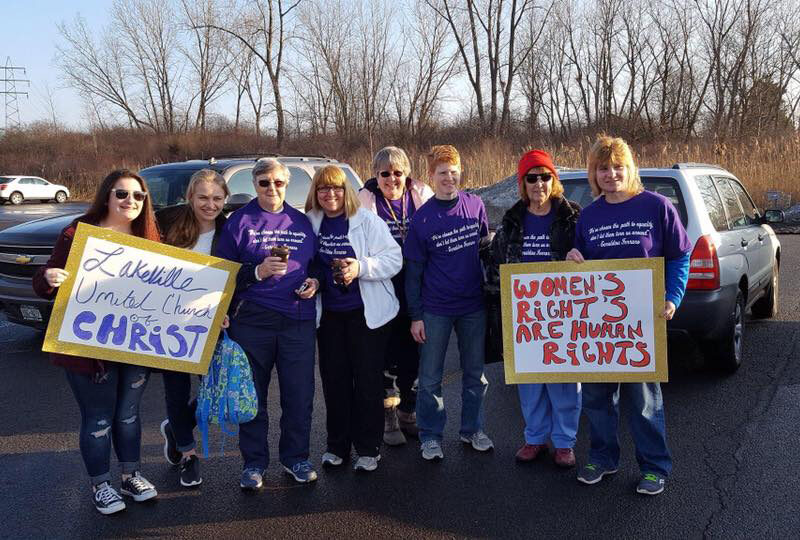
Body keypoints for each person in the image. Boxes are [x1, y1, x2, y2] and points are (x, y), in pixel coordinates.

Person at [566, 135, 691, 496]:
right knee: (597, 398)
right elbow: (582, 269)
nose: (611, 174)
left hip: (641, 322)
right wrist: (574, 260)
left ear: (630, 168)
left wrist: (673, 297)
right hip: (597, 325)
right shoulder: (589, 216)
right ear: (594, 174)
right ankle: (603, 458)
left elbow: (680, 255)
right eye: (603, 168)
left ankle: (654, 467)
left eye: (618, 166)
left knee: (644, 400)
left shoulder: (656, 206)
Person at [32, 170, 162, 515]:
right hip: (88, 348)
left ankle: (130, 476)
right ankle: (101, 484)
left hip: (135, 345)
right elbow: (43, 280)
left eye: (138, 196)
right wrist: (48, 278)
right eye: (122, 194)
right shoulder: (78, 234)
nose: (131, 201)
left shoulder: (149, 237)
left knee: (128, 415)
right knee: (98, 418)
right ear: (107, 196)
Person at [214, 158, 320, 491]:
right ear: (254, 184)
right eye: (264, 182)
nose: (271, 188)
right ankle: (254, 463)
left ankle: (296, 458)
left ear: (287, 184)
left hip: (297, 319)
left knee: (299, 395)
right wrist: (257, 272)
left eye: (278, 182)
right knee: (252, 396)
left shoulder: (302, 221)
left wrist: (315, 283)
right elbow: (221, 272)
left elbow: (317, 265)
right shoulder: (238, 222)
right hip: (252, 320)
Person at [487, 149, 582, 468]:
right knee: (529, 381)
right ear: (522, 183)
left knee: (563, 381)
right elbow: (496, 265)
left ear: (553, 180)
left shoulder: (572, 217)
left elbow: (590, 260)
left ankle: (564, 442)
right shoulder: (512, 222)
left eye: (545, 177)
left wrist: (578, 258)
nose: (539, 183)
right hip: (524, 317)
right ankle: (535, 437)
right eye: (532, 178)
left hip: (564, 316)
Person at [307, 165, 402, 471]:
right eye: (323, 188)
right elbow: (309, 263)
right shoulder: (311, 222)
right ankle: (337, 446)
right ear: (316, 193)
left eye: (336, 187)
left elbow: (394, 259)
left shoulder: (367, 221)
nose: (330, 194)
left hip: (367, 314)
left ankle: (368, 448)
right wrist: (316, 280)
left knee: (367, 382)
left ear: (346, 190)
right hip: (330, 315)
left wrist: (360, 267)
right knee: (334, 381)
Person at [403, 144, 493, 461]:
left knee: (475, 375)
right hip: (435, 309)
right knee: (429, 379)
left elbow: (485, 250)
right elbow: (413, 274)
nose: (449, 178)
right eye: (442, 173)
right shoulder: (422, 219)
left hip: (473, 306)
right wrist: (416, 315)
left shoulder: (475, 205)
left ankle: (472, 430)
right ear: (431, 175)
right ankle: (430, 436)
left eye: (454, 172)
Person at [156, 169, 230, 488]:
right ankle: (187, 453)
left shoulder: (229, 230)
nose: (210, 204)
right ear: (190, 196)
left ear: (225, 199)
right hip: (169, 322)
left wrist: (227, 309)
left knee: (215, 392)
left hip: (211, 323)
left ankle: (176, 427)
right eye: (203, 197)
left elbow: (237, 274)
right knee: (177, 390)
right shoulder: (166, 222)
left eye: (217, 198)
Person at [358, 146, 433, 446]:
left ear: (407, 174)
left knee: (414, 354)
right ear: (376, 176)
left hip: (416, 288)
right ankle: (388, 414)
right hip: (382, 287)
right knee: (387, 356)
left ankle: (408, 411)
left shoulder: (420, 197)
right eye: (385, 173)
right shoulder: (365, 202)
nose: (392, 179)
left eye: (398, 173)